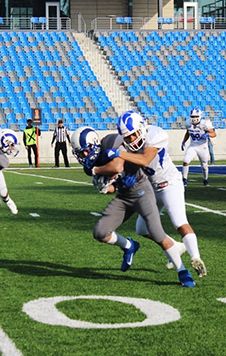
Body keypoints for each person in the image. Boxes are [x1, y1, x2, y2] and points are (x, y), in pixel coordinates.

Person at [70, 126, 196, 288]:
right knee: (100, 232)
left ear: (94, 143)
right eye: (81, 154)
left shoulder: (110, 142)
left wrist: (97, 170)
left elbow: (117, 167)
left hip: (142, 189)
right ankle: (129, 246)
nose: (85, 156)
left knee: (156, 232)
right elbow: (112, 187)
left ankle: (182, 270)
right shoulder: (90, 167)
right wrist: (105, 188)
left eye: (86, 151)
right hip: (124, 195)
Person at [111, 110, 207, 277]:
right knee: (141, 229)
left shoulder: (155, 134)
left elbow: (145, 160)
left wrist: (119, 153)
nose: (131, 140)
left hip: (170, 183)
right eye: (127, 138)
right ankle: (176, 246)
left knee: (179, 222)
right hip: (151, 188)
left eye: (133, 135)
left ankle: (196, 257)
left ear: (141, 128)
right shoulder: (125, 145)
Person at [180, 108, 216, 186]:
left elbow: (214, 134)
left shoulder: (205, 123)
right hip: (193, 146)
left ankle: (205, 179)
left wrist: (208, 134)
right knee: (185, 161)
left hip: (202, 147)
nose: (194, 118)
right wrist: (183, 141)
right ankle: (184, 179)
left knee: (204, 166)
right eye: (192, 116)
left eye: (196, 116)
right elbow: (188, 133)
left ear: (200, 116)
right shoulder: (188, 123)